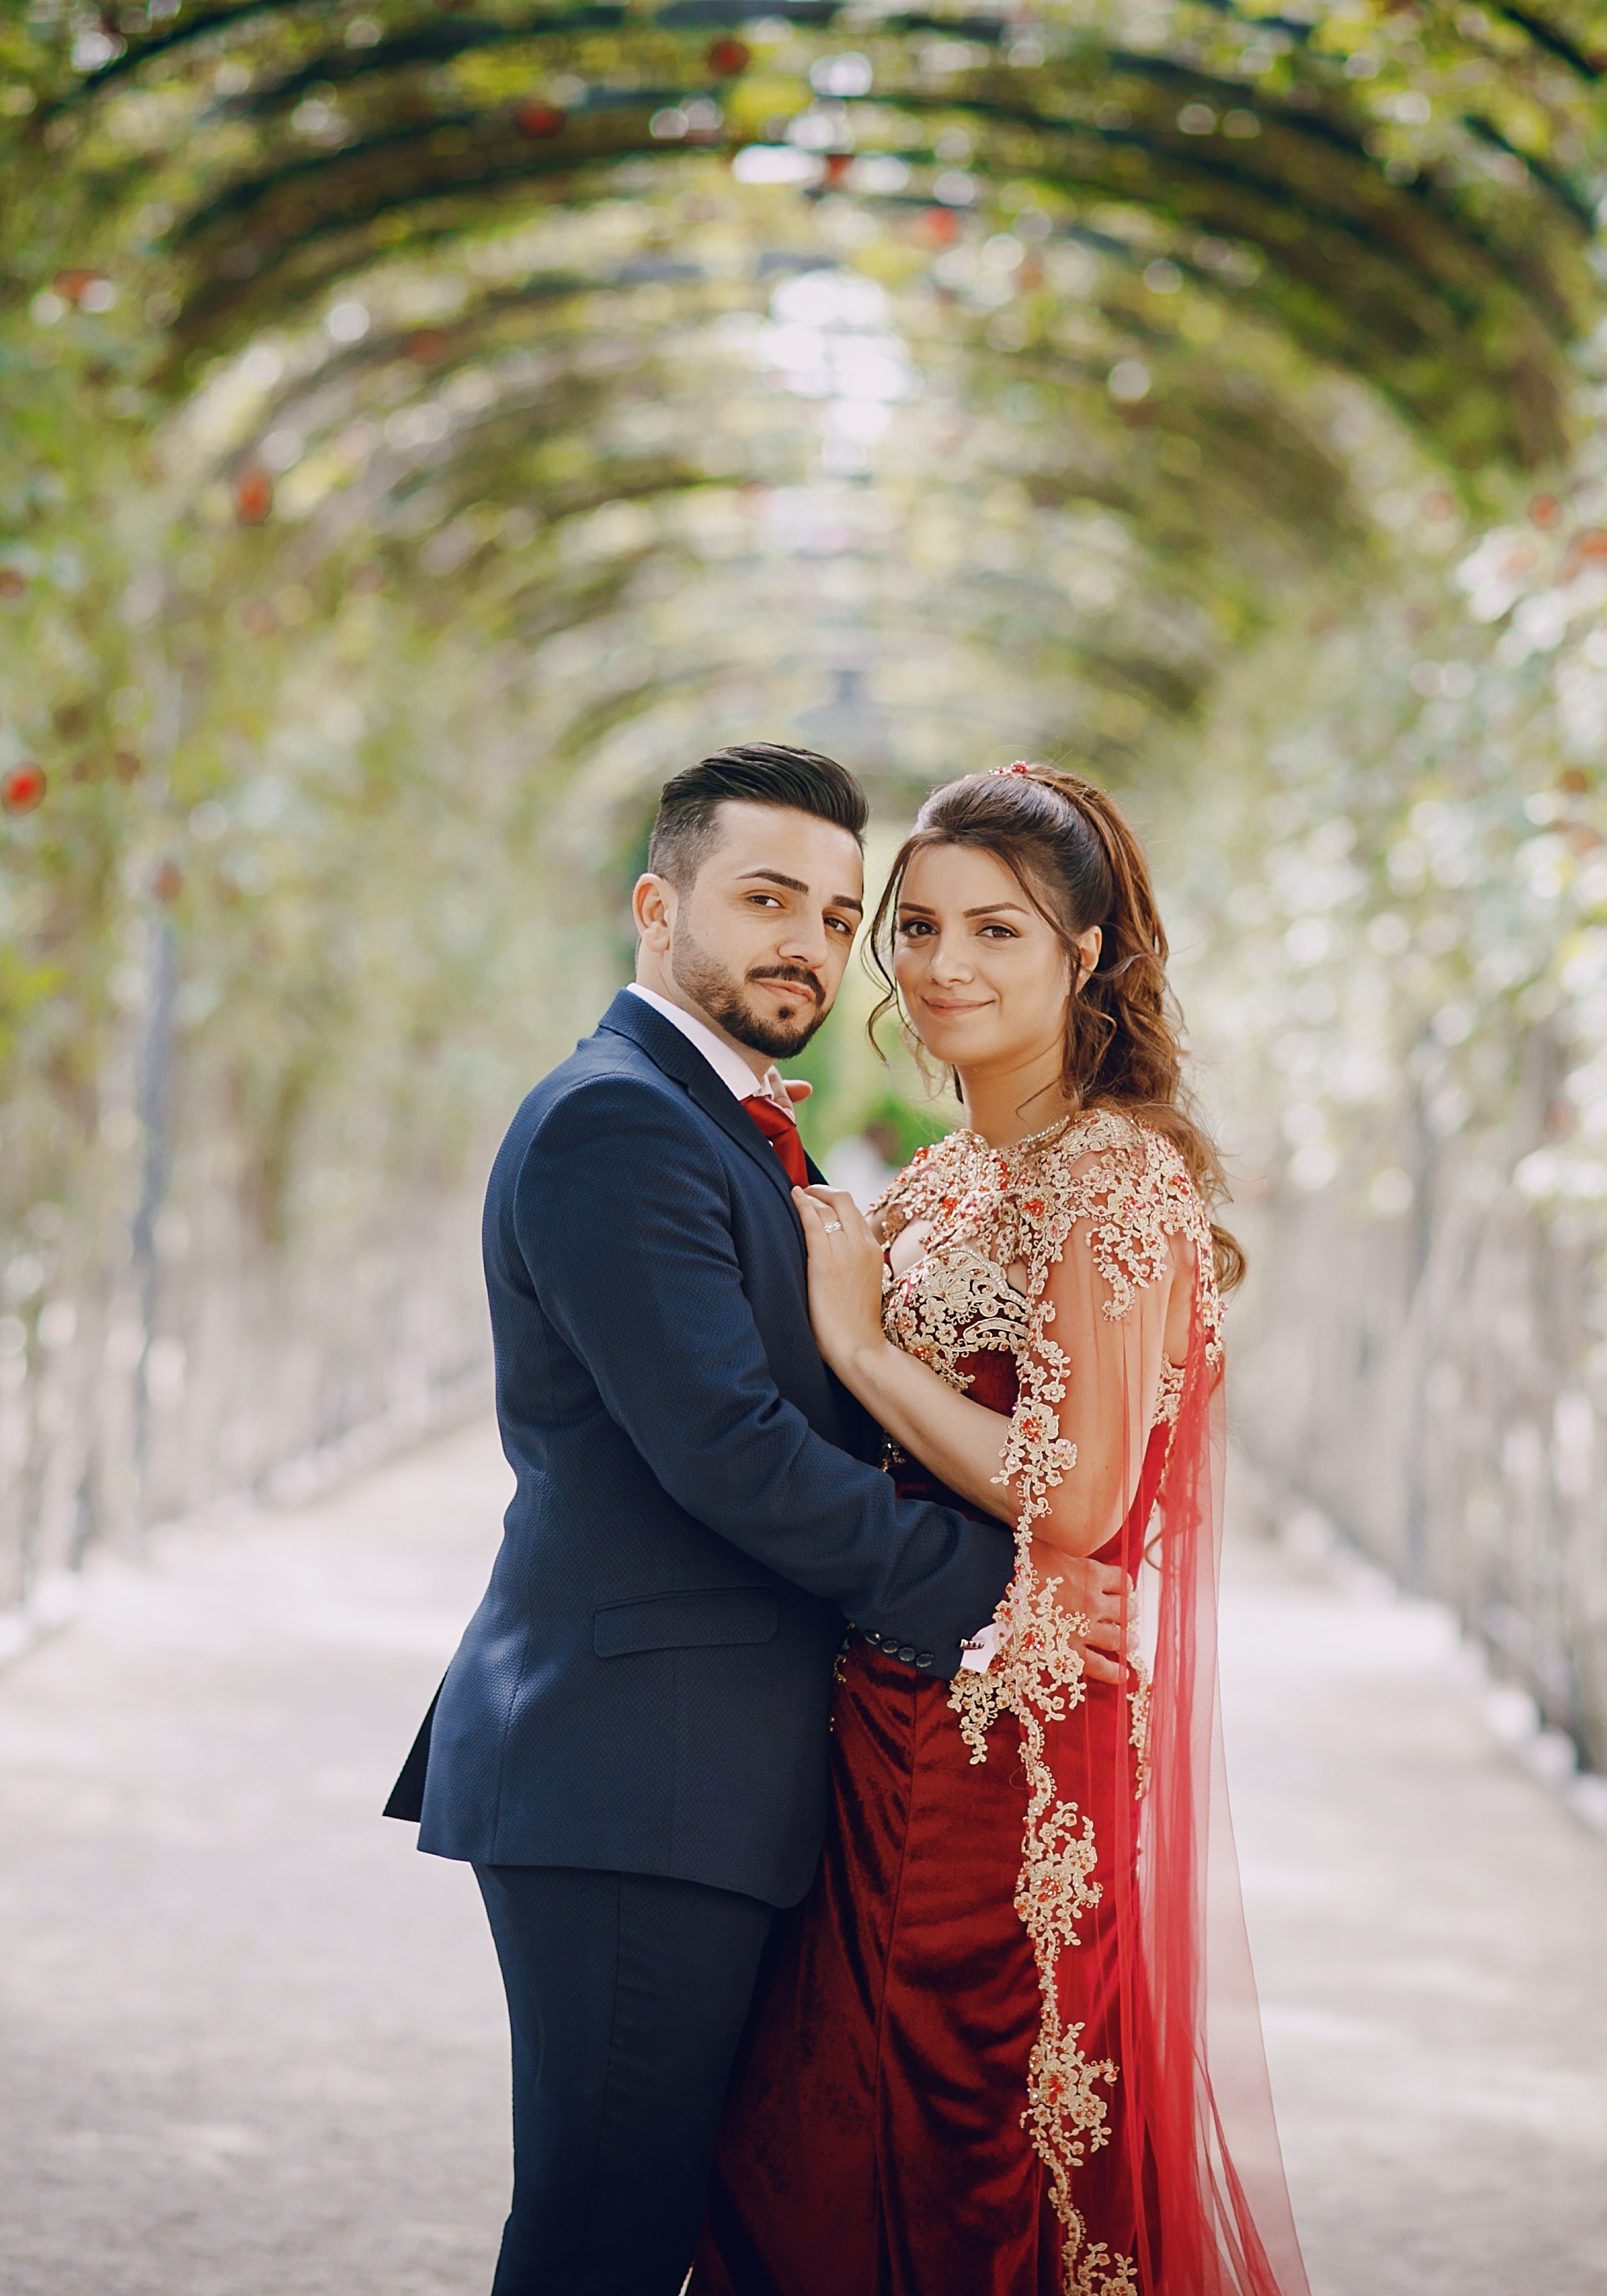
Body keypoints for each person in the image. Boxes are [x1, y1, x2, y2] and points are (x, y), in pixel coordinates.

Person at [389, 742, 1137, 2296]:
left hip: (702, 1767)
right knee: (606, 2222)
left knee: (655, 2213)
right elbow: (724, 1447)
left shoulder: (714, 1120)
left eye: (836, 909)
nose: (809, 938)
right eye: (766, 897)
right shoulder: (619, 1125)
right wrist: (997, 1596)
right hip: (632, 1763)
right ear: (659, 907)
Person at [694, 762, 1309, 2296]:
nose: (944, 967)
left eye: (998, 933)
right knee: (815, 2131)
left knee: (980, 2129)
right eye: (914, 929)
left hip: (1016, 1740)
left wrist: (864, 1351)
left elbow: (1086, 1489)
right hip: (875, 1716)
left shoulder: (1113, 1176)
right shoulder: (939, 1180)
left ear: (1085, 954)